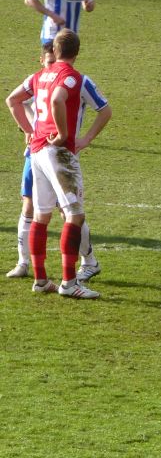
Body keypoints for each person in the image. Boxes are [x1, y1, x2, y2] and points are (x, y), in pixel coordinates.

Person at [5, 30, 111, 298]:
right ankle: (69, 283)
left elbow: (12, 100)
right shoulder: (74, 78)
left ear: (55, 49)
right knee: (74, 215)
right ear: (77, 51)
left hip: (36, 150)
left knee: (41, 216)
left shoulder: (39, 76)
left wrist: (29, 130)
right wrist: (73, 136)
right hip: (58, 152)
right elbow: (68, 102)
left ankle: (41, 280)